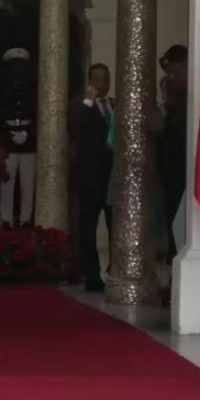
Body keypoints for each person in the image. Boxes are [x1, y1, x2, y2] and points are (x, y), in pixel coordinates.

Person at [70, 63, 114, 292]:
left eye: (105, 78)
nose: (102, 83)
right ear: (89, 81)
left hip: (113, 178)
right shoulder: (80, 105)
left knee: (116, 226)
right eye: (97, 79)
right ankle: (91, 276)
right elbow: (75, 127)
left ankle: (116, 272)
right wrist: (88, 101)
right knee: (88, 228)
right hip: (90, 177)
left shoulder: (116, 105)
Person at [0, 48, 36, 226]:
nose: (18, 69)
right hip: (7, 143)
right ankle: (6, 220)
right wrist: (7, 134)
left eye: (21, 65)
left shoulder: (33, 89)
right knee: (7, 184)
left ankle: (26, 220)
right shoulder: (1, 89)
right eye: (14, 65)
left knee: (27, 184)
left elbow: (38, 113)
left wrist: (27, 132)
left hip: (28, 143)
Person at [156, 45, 188, 266]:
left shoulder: (188, 101)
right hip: (169, 171)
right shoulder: (173, 106)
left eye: (174, 72)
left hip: (183, 171)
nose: (170, 79)